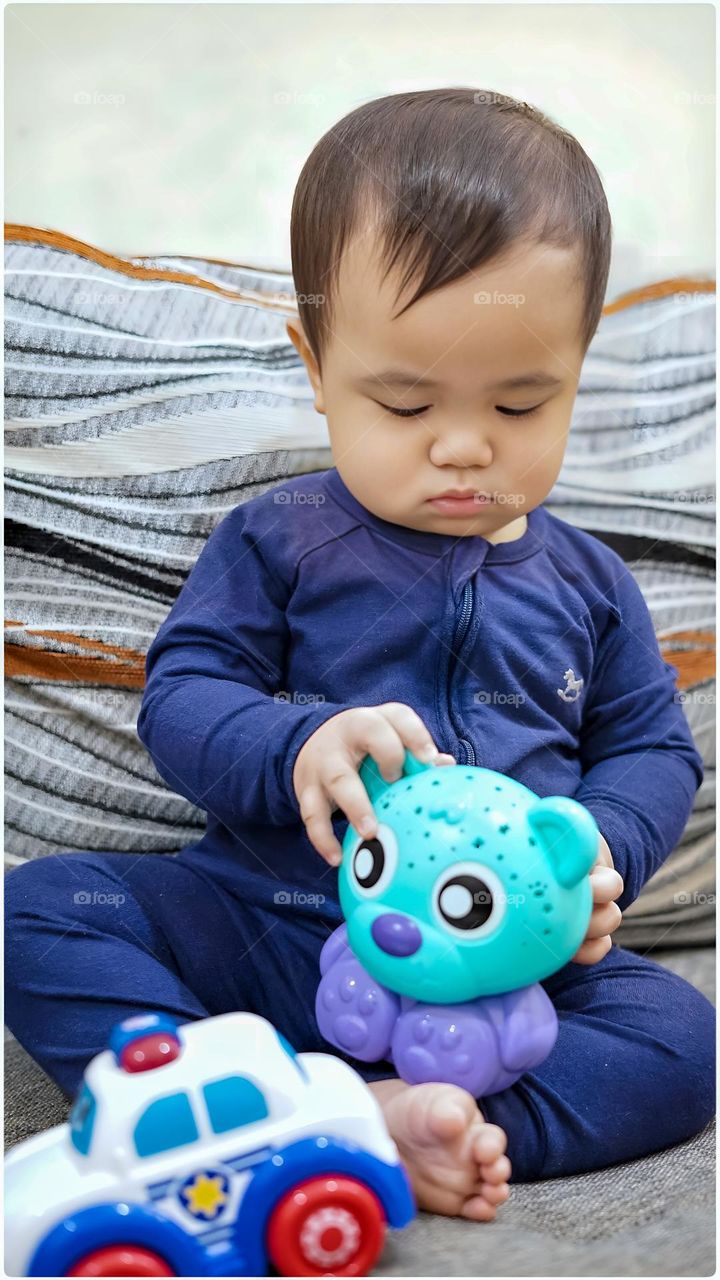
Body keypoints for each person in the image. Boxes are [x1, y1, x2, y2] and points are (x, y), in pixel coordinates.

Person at [6, 89, 715, 1222]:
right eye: (403, 398)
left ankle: (438, 1128)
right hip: (267, 920)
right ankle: (226, 1099)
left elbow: (647, 747)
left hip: (503, 967)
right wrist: (298, 739)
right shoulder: (279, 538)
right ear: (316, 364)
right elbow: (183, 696)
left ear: (577, 369)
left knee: (678, 1038)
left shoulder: (592, 581)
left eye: (523, 402)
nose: (465, 444)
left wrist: (598, 855)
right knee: (47, 904)